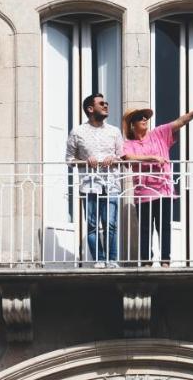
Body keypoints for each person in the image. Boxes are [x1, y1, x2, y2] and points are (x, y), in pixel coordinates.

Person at [121, 102, 193, 266]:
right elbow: (127, 158)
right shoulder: (129, 144)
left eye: (145, 117)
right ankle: (146, 262)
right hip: (143, 192)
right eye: (139, 117)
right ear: (132, 124)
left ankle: (165, 260)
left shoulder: (159, 133)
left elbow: (180, 122)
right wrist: (152, 158)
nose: (144, 119)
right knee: (145, 228)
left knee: (164, 226)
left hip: (163, 189)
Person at [64, 92, 124, 266]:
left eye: (106, 103)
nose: (106, 106)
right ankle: (99, 259)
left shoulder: (114, 131)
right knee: (92, 224)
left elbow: (123, 158)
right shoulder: (77, 132)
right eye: (101, 103)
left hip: (111, 183)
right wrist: (84, 161)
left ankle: (112, 260)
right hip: (89, 185)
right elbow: (69, 160)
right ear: (90, 109)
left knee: (110, 224)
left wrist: (114, 159)